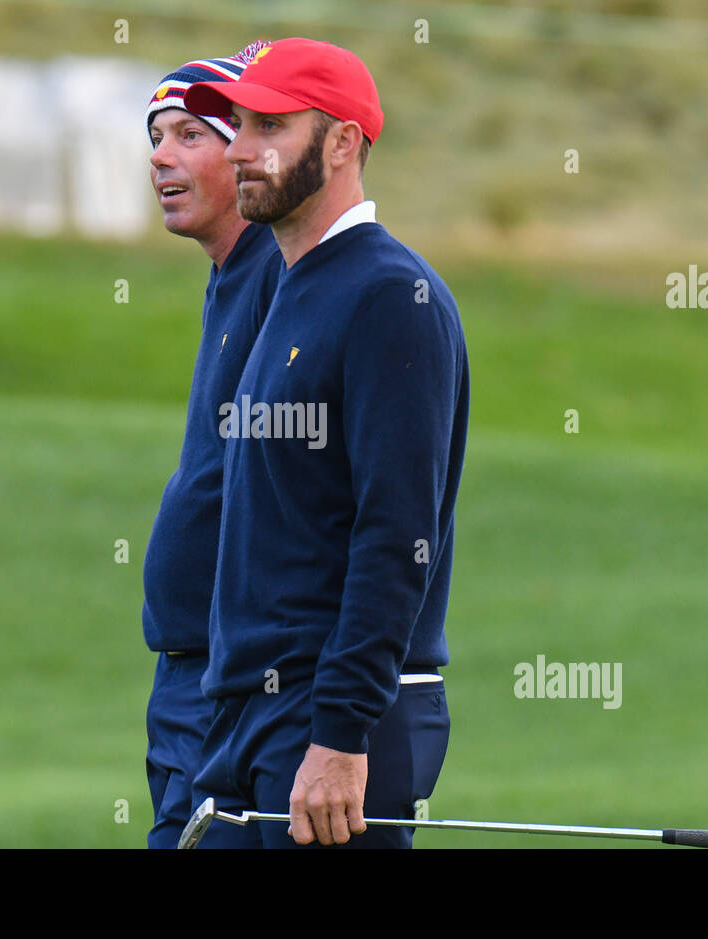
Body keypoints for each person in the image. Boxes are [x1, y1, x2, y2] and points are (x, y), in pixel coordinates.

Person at [183, 37, 469, 848]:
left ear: (343, 141)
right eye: (237, 123)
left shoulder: (390, 296)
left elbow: (398, 532)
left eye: (269, 125)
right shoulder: (290, 286)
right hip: (248, 711)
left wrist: (341, 734)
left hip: (338, 720)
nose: (239, 147)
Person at [140, 43, 283, 849]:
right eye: (156, 136)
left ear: (250, 154)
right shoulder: (230, 271)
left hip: (235, 683)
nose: (160, 155)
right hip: (193, 671)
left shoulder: (280, 267)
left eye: (191, 133)